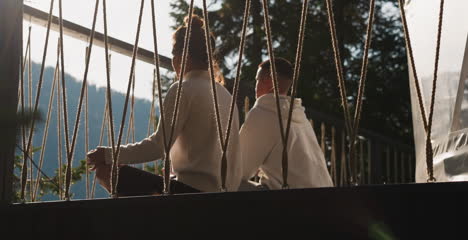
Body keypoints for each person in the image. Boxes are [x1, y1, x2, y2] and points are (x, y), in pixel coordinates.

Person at [87, 15, 242, 196]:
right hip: (227, 195)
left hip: (192, 195)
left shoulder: (183, 89)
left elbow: (158, 147)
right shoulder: (226, 95)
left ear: (179, 57)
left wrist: (107, 154)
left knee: (107, 172)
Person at [239, 58, 333, 191]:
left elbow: (237, 170)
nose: (256, 85)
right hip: (325, 199)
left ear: (269, 80)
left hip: (289, 203)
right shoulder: (300, 116)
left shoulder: (263, 112)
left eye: (257, 80)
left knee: (226, 180)